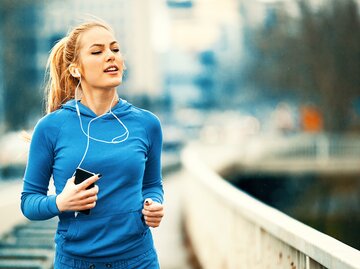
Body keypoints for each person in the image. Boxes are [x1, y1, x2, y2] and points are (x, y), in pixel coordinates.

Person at [21, 20, 164, 269]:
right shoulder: (50, 128)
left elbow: (152, 185)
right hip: (76, 262)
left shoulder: (147, 124)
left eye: (115, 49)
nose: (110, 56)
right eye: (97, 52)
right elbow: (29, 202)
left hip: (138, 260)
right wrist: (60, 202)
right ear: (76, 70)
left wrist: (153, 204)